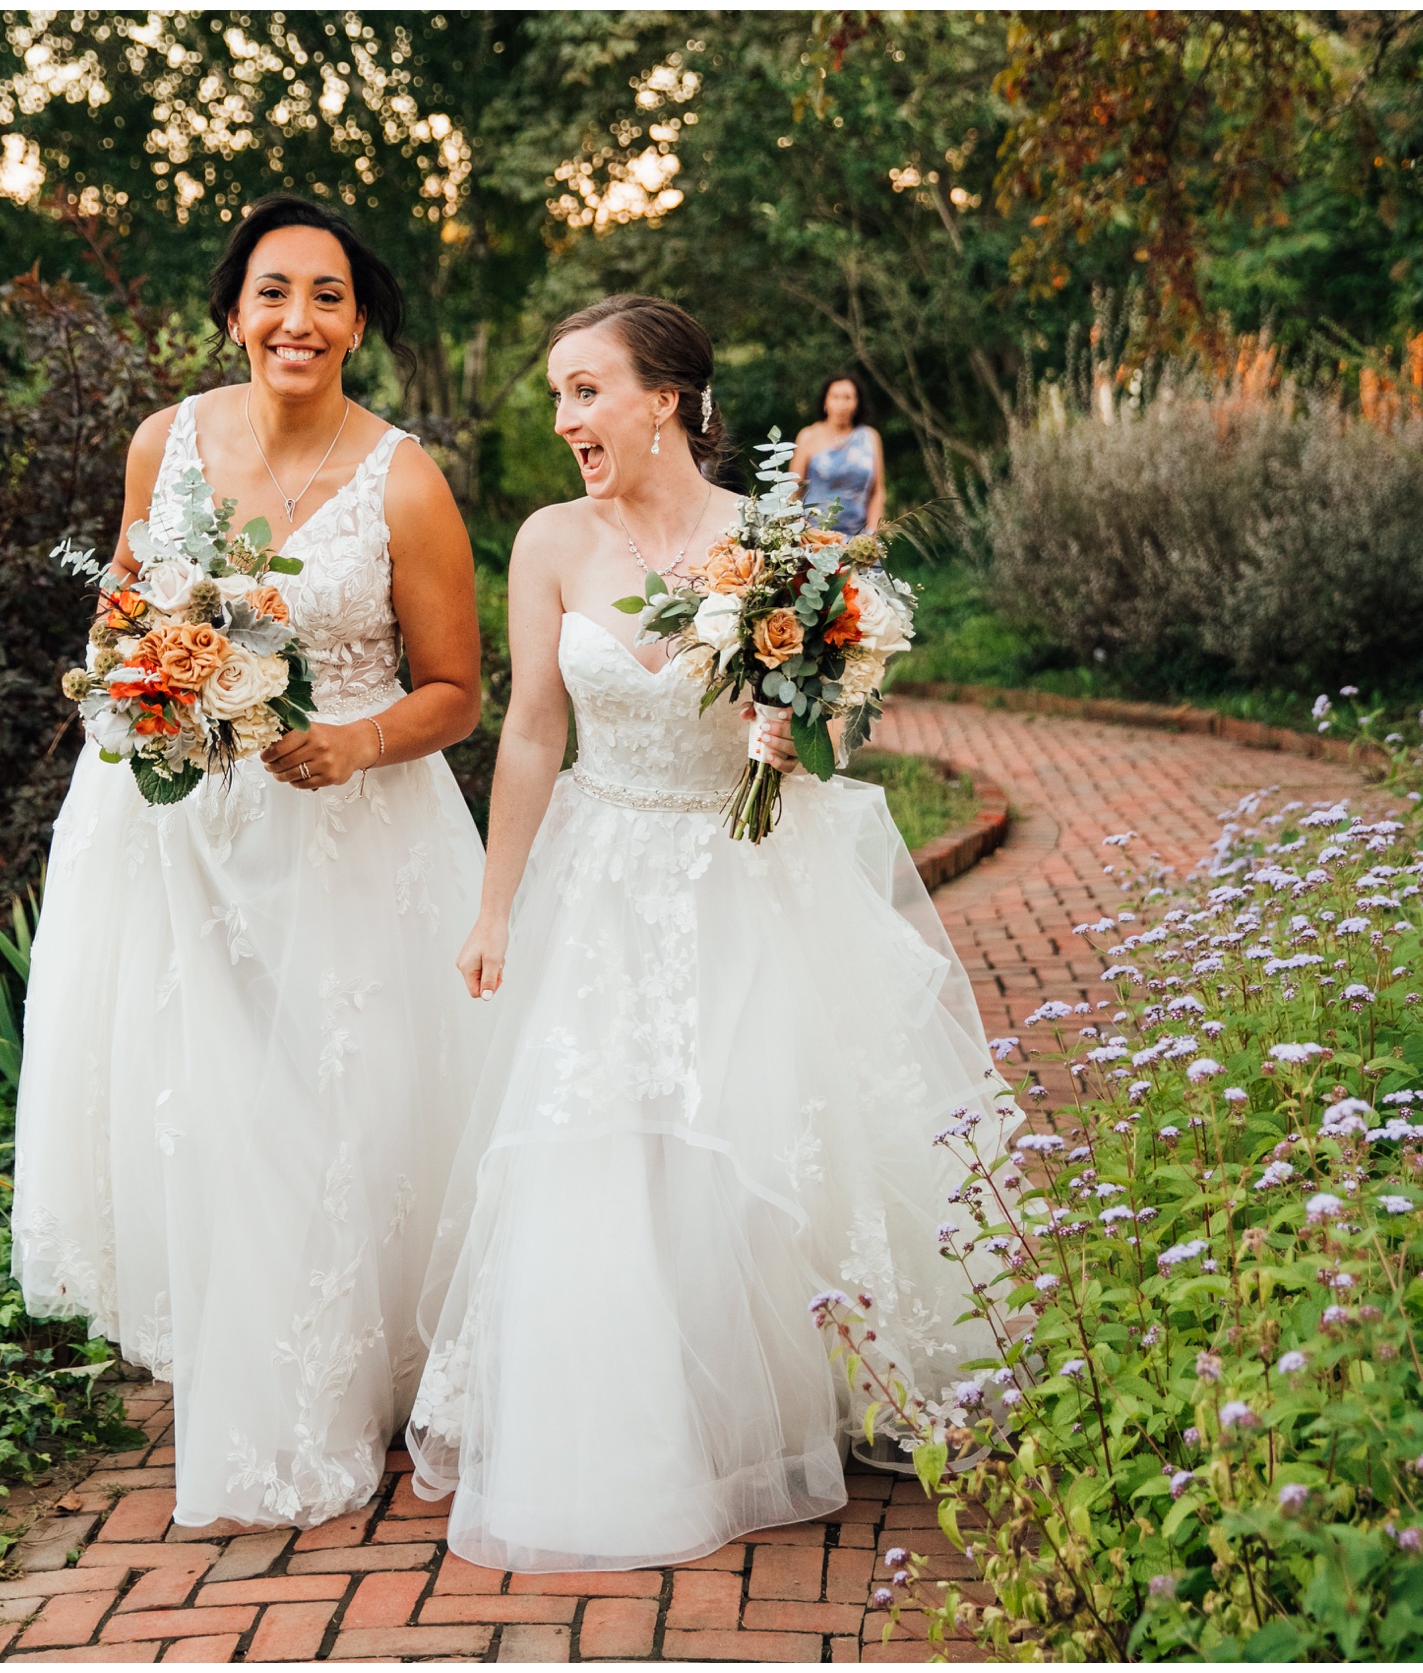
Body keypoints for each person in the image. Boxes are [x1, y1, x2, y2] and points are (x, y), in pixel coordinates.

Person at [404, 296, 1005, 1572]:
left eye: (584, 390)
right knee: (600, 1136)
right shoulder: (548, 542)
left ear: (664, 401)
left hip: (747, 869)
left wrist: (799, 731)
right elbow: (529, 732)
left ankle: (770, 1397)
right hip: (601, 870)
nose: (566, 418)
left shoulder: (775, 542)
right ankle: (624, 1413)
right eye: (558, 395)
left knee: (753, 1128)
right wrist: (495, 902)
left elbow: (840, 724)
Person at [12, 194, 489, 1531]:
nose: (300, 317)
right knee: (206, 1101)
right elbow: (117, 612)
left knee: (344, 1106)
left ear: (358, 323)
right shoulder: (163, 442)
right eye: (274, 290)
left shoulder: (406, 478)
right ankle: (259, 1362)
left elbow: (457, 688)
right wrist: (141, 682)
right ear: (234, 310)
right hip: (168, 836)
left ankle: (362, 1366)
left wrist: (353, 742)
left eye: (328, 295)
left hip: (352, 836)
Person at [792, 373, 884, 536]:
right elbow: (793, 491)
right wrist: (798, 530)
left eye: (847, 397)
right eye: (835, 397)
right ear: (825, 402)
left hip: (858, 540)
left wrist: (872, 534)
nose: (841, 404)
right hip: (815, 536)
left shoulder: (870, 437)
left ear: (857, 403)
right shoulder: (808, 436)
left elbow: (877, 491)